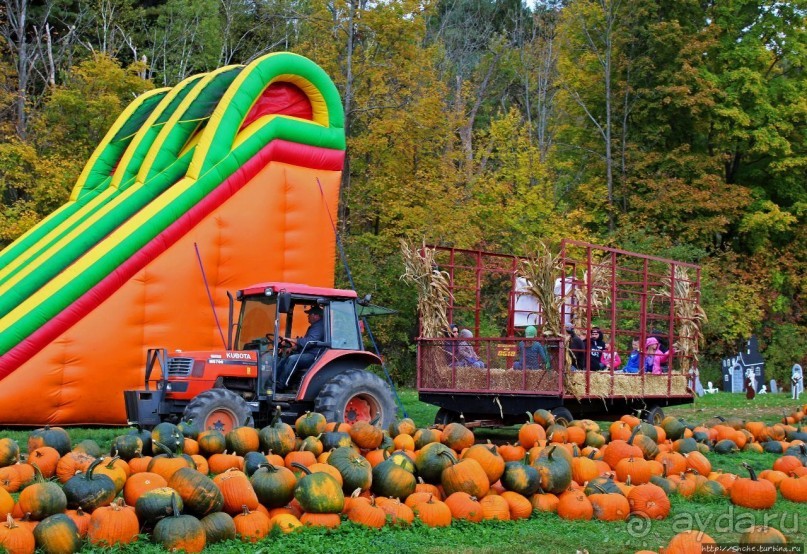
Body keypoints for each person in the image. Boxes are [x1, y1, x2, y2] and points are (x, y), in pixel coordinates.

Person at [276, 305, 326, 390]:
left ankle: (281, 385)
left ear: (316, 316)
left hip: (314, 355)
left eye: (310, 314)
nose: (308, 316)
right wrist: (292, 348)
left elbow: (310, 342)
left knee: (293, 359)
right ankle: (274, 381)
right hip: (308, 352)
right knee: (285, 358)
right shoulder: (314, 326)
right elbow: (306, 343)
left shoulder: (319, 326)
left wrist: (291, 339)